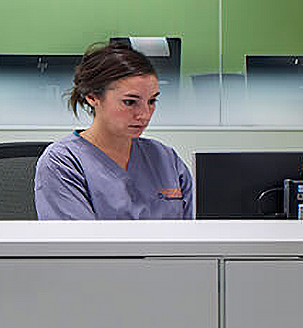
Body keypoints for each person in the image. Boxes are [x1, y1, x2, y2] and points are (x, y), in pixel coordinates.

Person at [35, 40, 193, 220]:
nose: (144, 114)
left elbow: (188, 237)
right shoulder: (63, 163)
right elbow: (79, 245)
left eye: (151, 101)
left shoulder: (166, 159)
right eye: (130, 102)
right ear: (93, 97)